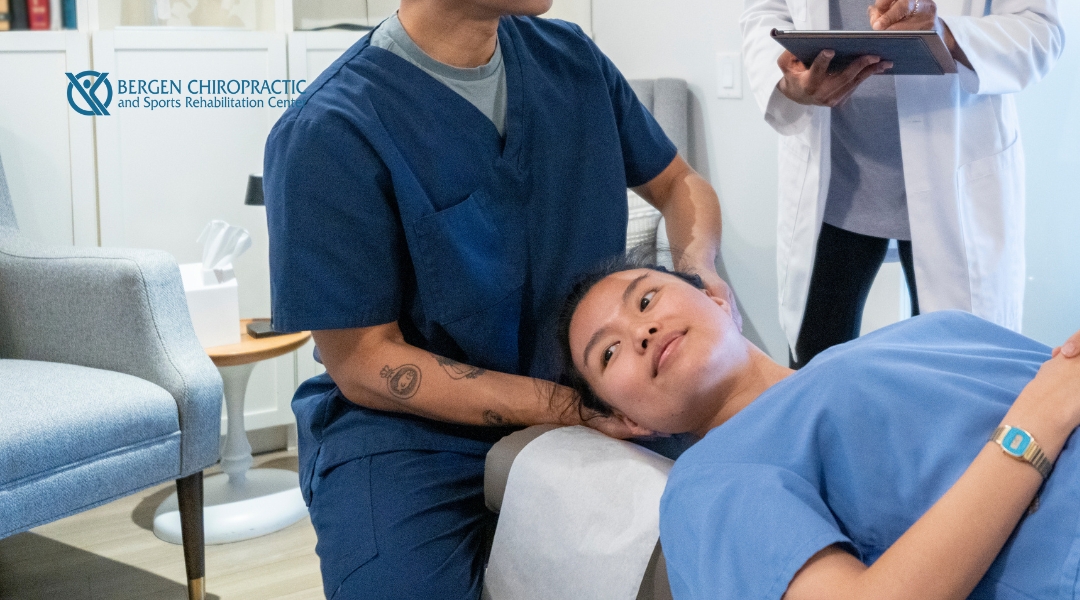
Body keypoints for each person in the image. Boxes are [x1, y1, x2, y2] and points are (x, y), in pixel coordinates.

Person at [261, 0, 736, 597]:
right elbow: (361, 362)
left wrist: (698, 274)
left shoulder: (570, 61)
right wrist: (567, 408)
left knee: (729, 538)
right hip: (409, 435)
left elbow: (678, 183)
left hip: (599, 390)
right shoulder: (329, 130)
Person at [558, 260, 1080, 600]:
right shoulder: (709, 484)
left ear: (719, 300)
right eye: (609, 352)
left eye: (645, 300)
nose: (642, 333)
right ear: (630, 421)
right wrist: (1033, 427)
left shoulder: (923, 332)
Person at [741, 0, 1064, 368]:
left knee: (953, 375)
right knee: (812, 369)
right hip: (833, 180)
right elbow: (763, 10)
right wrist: (787, 78)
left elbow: (1040, 30)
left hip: (955, 180)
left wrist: (949, 36)